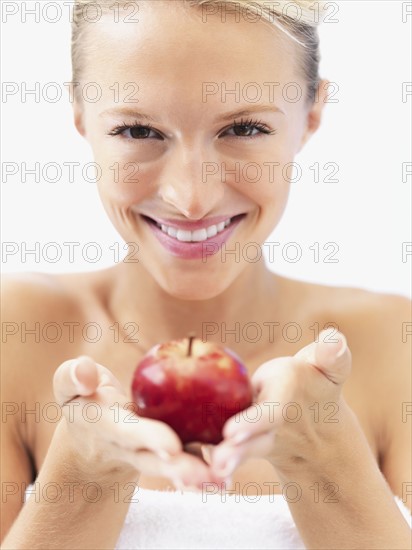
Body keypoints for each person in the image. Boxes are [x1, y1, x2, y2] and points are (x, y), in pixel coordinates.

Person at [1, 1, 411, 548]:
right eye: (138, 130)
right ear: (79, 113)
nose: (190, 198)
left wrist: (326, 466)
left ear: (312, 112)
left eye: (243, 126)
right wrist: (82, 478)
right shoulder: (13, 334)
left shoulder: (397, 348)